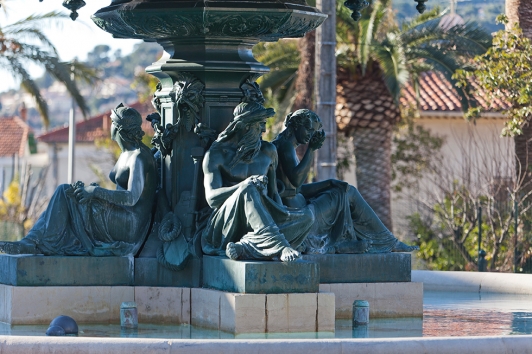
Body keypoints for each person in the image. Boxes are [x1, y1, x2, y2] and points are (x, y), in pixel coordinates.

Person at [0, 104, 157, 256]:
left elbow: (131, 197)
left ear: (119, 128)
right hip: (119, 215)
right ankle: (31, 242)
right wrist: (91, 191)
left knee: (64, 192)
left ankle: (39, 244)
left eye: (112, 122)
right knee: (68, 192)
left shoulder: (138, 157)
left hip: (128, 225)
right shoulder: (127, 153)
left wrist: (95, 191)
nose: (109, 126)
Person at [272, 109, 418, 253]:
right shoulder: (285, 146)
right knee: (347, 193)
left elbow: (295, 189)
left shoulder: (282, 144)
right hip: (302, 217)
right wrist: (311, 150)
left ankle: (383, 241)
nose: (310, 135)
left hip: (302, 210)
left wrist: (330, 183)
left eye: (313, 132)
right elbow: (297, 181)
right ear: (296, 125)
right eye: (308, 129)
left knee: (341, 189)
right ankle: (386, 242)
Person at [201, 102, 314, 262]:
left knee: (307, 217)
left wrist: (285, 217)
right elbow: (212, 198)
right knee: (249, 189)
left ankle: (245, 247)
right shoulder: (217, 155)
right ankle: (279, 246)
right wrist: (244, 185)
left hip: (263, 217)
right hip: (228, 223)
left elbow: (274, 194)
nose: (264, 130)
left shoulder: (268, 151)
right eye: (260, 124)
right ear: (245, 126)